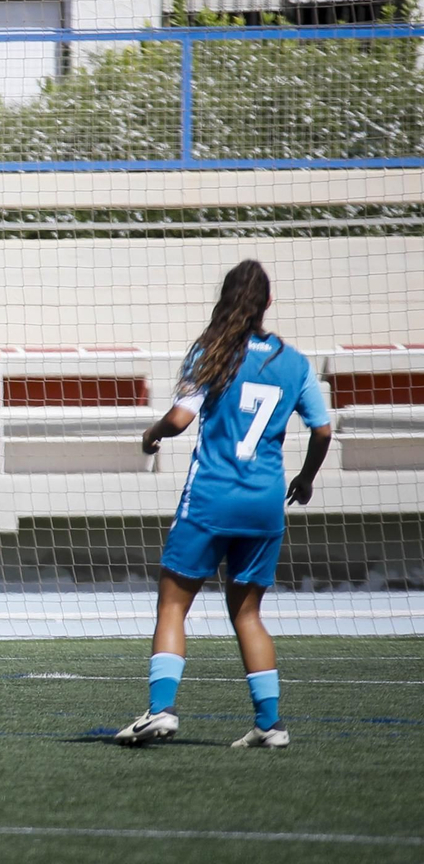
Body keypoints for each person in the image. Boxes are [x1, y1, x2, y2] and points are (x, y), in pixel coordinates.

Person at [115, 260, 331, 749]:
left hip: (211, 498)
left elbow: (178, 418)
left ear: (226, 299)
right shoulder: (294, 363)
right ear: (268, 304)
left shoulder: (212, 350)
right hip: (264, 504)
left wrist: (150, 436)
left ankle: (162, 710)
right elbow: (322, 430)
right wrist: (307, 477)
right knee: (248, 614)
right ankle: (270, 725)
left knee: (172, 604)